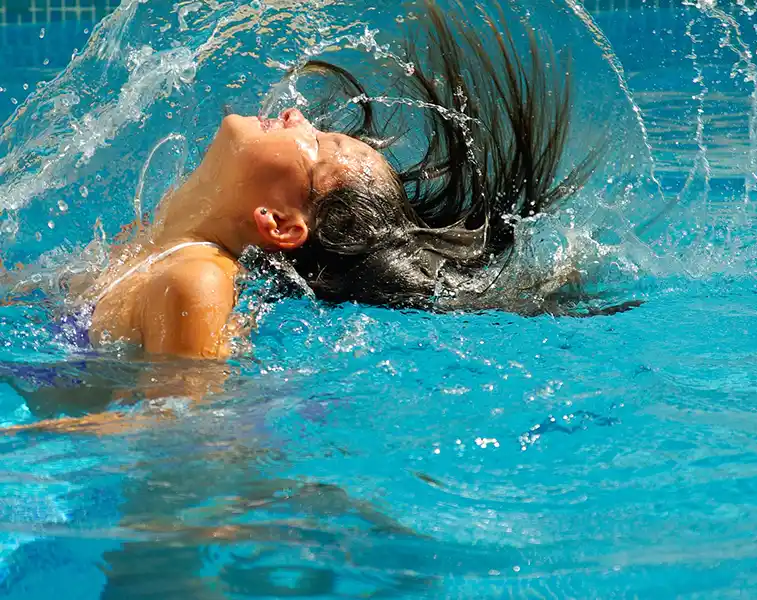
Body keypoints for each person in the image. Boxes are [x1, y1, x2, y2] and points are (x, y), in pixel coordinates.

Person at [11, 1, 604, 364]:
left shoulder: (196, 283)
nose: (298, 117)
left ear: (281, 223)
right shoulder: (148, 244)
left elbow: (183, 446)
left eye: (318, 147)